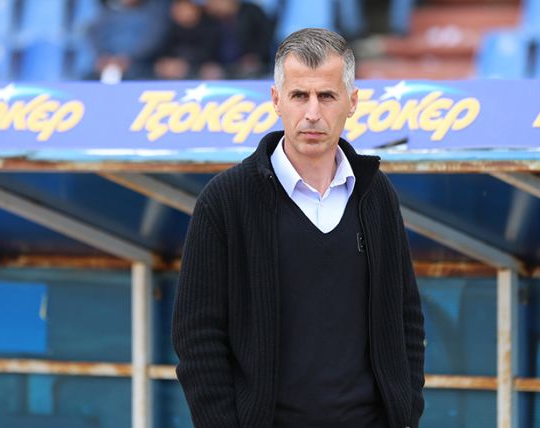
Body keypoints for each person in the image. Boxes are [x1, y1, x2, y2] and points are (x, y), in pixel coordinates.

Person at [172, 28, 425, 428]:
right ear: (276, 100)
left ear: (352, 102)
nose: (312, 113)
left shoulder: (376, 195)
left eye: (326, 96)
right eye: (299, 96)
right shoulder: (225, 200)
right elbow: (197, 336)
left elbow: (406, 316)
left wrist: (406, 412)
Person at [153, 0, 222, 80]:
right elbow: (163, 51)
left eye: (184, 8)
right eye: (177, 8)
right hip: (175, 68)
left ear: (195, 10)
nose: (179, 12)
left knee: (211, 71)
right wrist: (166, 62)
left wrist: (185, 62)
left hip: (204, 67)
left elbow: (208, 52)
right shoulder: (170, 28)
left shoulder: (210, 27)